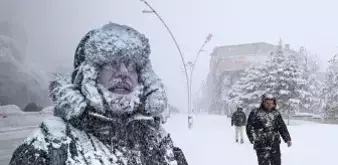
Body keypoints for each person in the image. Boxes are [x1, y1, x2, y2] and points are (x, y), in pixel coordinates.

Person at [9, 23, 188, 165]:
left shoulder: (159, 142)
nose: (124, 71)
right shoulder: (47, 148)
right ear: (90, 74)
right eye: (112, 63)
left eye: (132, 65)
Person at [246, 94, 292, 165]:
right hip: (261, 144)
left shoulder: (276, 113)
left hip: (274, 143)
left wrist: (287, 139)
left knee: (276, 162)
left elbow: (282, 127)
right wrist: (253, 139)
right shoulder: (255, 113)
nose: (269, 105)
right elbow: (249, 127)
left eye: (271, 103)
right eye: (267, 103)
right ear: (263, 102)